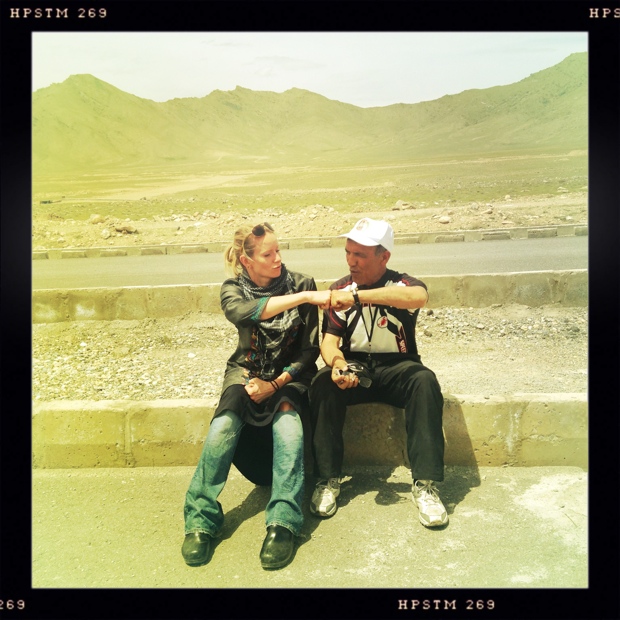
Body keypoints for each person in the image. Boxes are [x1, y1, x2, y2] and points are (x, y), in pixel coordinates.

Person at [182, 222, 331, 570]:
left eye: (280, 250)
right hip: (246, 372)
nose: (278, 258)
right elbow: (245, 312)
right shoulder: (233, 289)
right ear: (248, 262)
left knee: (288, 426)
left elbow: (309, 352)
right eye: (269, 254)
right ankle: (201, 520)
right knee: (222, 428)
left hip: (290, 375)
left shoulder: (301, 281)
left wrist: (276, 385)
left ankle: (283, 522)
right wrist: (306, 298)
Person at [309, 217, 448, 528]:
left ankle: (425, 484)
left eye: (360, 255)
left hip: (398, 367)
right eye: (348, 252)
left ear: (384, 257)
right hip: (355, 366)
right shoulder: (339, 289)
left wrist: (358, 297)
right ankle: (328, 479)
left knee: (424, 381)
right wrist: (337, 365)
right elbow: (329, 342)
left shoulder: (401, 285)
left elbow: (418, 297)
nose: (351, 261)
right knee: (320, 384)